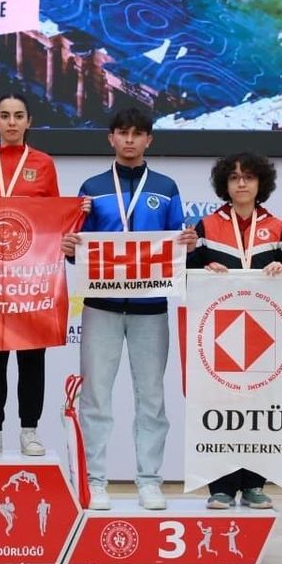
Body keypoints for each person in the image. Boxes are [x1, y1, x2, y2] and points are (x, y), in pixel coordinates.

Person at [61, 108, 196, 512]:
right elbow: (79, 249)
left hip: (150, 308)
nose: (130, 140)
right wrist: (70, 247)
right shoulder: (92, 187)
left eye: (138, 134)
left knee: (152, 397)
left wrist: (187, 245)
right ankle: (94, 481)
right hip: (100, 306)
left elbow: (178, 247)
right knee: (96, 396)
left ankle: (149, 481)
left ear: (149, 139)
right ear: (111, 138)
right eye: (123, 133)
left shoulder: (166, 187)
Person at [0, 93, 74, 458]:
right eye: (5, 115)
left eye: (19, 116)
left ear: (29, 121)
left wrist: (76, 215)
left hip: (31, 278)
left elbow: (53, 219)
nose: (12, 122)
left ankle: (30, 431)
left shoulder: (43, 164)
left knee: (31, 357)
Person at [186, 152, 282, 510]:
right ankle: (220, 487)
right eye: (234, 178)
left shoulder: (277, 227)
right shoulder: (206, 226)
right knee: (219, 408)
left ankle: (253, 485)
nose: (242, 183)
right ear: (225, 185)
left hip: (263, 334)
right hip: (217, 335)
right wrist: (203, 270)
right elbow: (188, 273)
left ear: (261, 182)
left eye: (248, 177)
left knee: (259, 410)